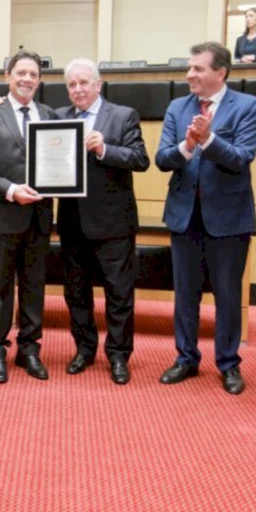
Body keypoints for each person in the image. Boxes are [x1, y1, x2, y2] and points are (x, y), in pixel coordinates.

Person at [155, 42, 256, 395]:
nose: (190, 75)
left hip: (229, 219)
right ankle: (186, 358)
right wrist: (188, 145)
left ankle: (228, 363)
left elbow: (242, 157)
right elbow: (162, 158)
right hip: (184, 215)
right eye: (189, 68)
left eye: (198, 69)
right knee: (185, 295)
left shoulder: (248, 106)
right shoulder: (177, 107)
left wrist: (209, 138)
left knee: (228, 296)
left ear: (221, 72)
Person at [0, 50, 56, 383]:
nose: (27, 79)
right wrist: (10, 189)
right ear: (8, 76)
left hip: (40, 218)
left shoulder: (50, 115)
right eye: (21, 73)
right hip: (1, 216)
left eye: (33, 74)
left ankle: (29, 351)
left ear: (40, 80)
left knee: (34, 288)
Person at [55, 58, 150, 384]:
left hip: (114, 223)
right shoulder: (59, 117)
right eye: (72, 84)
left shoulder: (123, 115)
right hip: (71, 222)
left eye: (84, 82)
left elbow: (140, 159)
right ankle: (84, 349)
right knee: (76, 292)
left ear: (98, 84)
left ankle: (119, 356)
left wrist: (104, 149)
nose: (78, 89)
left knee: (119, 293)